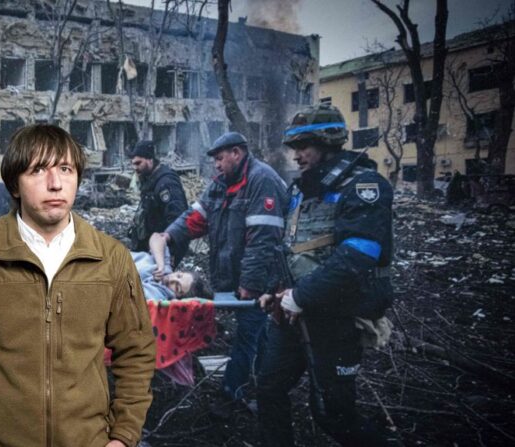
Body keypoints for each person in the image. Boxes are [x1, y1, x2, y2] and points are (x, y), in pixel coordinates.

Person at [0, 124, 156, 447]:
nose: (56, 184)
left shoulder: (111, 258)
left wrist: (123, 437)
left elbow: (137, 351)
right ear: (14, 183)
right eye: (39, 170)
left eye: (66, 169)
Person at [257, 103, 395, 446]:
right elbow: (290, 247)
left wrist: (300, 297)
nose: (297, 155)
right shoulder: (301, 190)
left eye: (304, 146)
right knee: (268, 388)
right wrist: (274, 289)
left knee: (333, 416)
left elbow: (357, 257)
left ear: (328, 142)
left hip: (336, 318)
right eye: (294, 148)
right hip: (292, 314)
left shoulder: (364, 187)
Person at [152, 131, 288, 410]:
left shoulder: (262, 181)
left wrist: (250, 285)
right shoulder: (220, 185)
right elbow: (195, 217)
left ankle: (231, 393)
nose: (216, 164)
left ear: (237, 153)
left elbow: (263, 241)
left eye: (220, 158)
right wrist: (169, 236)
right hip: (230, 275)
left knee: (246, 336)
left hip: (260, 279)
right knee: (258, 334)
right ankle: (267, 383)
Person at [127, 140, 188, 266]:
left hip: (162, 249)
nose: (135, 168)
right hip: (149, 246)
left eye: (138, 163)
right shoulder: (149, 178)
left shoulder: (166, 183)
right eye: (133, 164)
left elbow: (177, 218)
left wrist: (171, 251)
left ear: (150, 159)